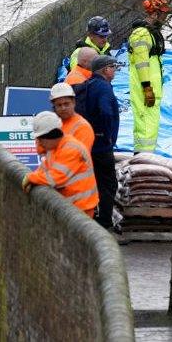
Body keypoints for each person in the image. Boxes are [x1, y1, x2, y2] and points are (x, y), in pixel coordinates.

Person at [21, 111, 99, 217]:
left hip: (82, 206)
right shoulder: (55, 148)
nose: (39, 143)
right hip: (72, 203)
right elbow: (44, 168)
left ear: (49, 136)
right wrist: (34, 177)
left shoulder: (70, 149)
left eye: (40, 139)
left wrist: (31, 178)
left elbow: (55, 178)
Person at [74, 55, 120, 229]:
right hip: (102, 145)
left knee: (93, 180)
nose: (114, 70)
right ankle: (105, 219)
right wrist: (107, 135)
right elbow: (106, 112)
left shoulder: (89, 84)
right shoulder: (103, 88)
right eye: (113, 67)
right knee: (108, 183)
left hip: (89, 142)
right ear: (105, 69)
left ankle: (92, 214)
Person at [128, 0, 168, 154]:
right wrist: (147, 88)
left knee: (150, 125)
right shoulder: (141, 35)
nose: (165, 19)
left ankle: (146, 157)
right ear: (156, 14)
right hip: (145, 90)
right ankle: (141, 158)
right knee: (145, 125)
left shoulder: (150, 33)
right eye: (164, 15)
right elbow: (141, 64)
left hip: (151, 90)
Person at [48, 82, 94, 150]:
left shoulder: (82, 127)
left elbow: (76, 156)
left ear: (74, 102)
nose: (63, 108)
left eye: (66, 104)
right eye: (59, 105)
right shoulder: (53, 125)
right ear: (54, 106)